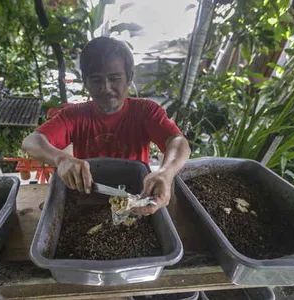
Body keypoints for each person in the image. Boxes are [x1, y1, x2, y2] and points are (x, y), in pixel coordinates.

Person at [22, 37, 191, 215]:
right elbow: (31, 141)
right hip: (87, 198)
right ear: (85, 82)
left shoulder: (145, 111)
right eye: (96, 80)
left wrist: (165, 173)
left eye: (114, 78)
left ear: (129, 78)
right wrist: (61, 159)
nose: (106, 88)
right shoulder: (74, 115)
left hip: (135, 200)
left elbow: (178, 140)